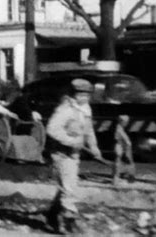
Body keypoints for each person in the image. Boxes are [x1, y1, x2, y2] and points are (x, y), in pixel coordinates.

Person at [45, 78, 102, 234]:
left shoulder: (86, 109)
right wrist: (70, 141)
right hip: (61, 153)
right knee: (69, 189)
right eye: (80, 94)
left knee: (66, 187)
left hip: (74, 154)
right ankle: (68, 223)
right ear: (73, 94)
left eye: (87, 95)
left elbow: (88, 129)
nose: (84, 98)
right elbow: (51, 129)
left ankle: (52, 217)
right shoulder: (65, 109)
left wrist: (94, 146)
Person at [113, 115, 136, 185]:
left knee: (121, 163)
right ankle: (116, 180)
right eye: (126, 122)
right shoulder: (119, 129)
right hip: (120, 147)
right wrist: (126, 148)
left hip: (122, 148)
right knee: (119, 163)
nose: (127, 123)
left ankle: (124, 177)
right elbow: (124, 139)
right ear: (122, 122)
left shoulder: (120, 128)